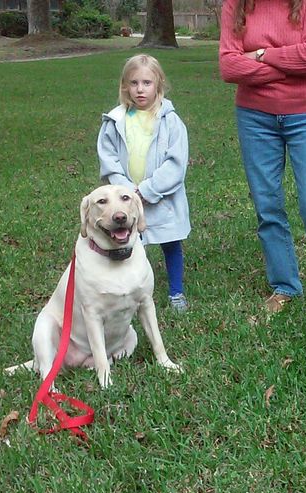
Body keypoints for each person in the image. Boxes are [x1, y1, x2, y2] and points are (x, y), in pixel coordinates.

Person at [218, 0, 306, 315]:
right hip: (255, 116)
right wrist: (295, 68)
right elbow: (229, 66)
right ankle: (285, 285)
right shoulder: (236, 4)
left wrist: (260, 54)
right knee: (267, 205)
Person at [98, 54, 192, 313]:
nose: (140, 89)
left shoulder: (170, 120)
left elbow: (176, 163)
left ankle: (176, 292)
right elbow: (109, 159)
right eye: (134, 83)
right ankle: (127, 293)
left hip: (163, 198)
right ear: (125, 86)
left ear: (158, 85)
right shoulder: (116, 120)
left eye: (147, 83)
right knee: (128, 243)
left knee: (170, 243)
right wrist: (127, 192)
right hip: (127, 199)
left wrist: (148, 190)